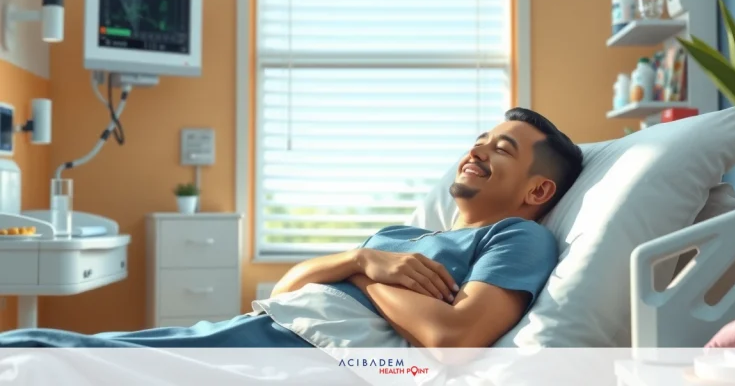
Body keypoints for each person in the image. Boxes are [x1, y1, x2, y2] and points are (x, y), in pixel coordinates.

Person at [0, 108, 583, 349]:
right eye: (478, 140)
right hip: (262, 327)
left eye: (501, 149)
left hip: (304, 352)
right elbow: (286, 289)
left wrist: (364, 278)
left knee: (34, 353)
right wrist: (364, 259)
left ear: (537, 191)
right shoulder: (398, 235)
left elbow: (454, 338)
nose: (477, 150)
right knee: (37, 347)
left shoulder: (516, 237)